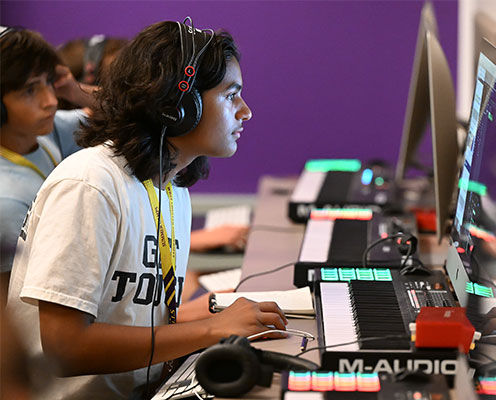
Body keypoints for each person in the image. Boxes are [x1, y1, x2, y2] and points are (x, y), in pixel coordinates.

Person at [6, 19, 287, 399]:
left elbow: (132, 319)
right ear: (179, 106)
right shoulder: (89, 185)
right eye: (230, 95)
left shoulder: (171, 189)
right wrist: (210, 329)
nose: (245, 112)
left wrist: (217, 319)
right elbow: (65, 348)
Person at [0, 27, 96, 296]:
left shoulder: (45, 133)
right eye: (30, 90)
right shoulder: (6, 202)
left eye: (48, 82)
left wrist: (77, 92)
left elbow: (127, 114)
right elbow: (11, 306)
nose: (51, 101)